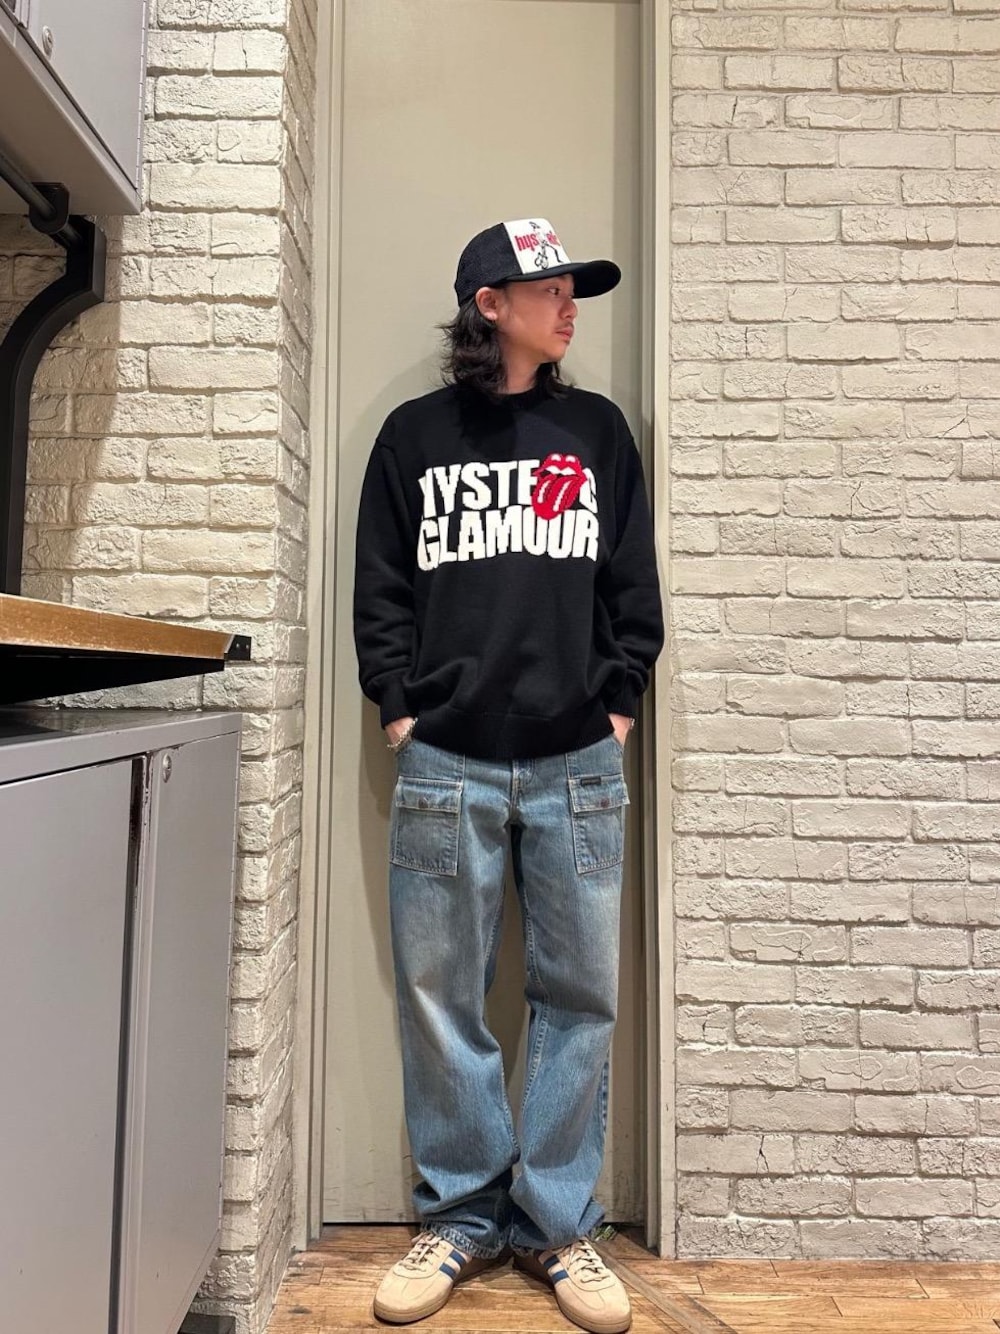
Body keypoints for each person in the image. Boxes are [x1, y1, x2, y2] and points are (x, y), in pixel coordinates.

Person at [353, 218, 663, 1334]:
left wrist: (619, 701)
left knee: (579, 999)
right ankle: (461, 1216)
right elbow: (380, 585)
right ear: (490, 303)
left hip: (578, 758)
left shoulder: (596, 429)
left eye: (575, 290)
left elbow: (631, 579)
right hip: (447, 760)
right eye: (550, 289)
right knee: (442, 999)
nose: (571, 306)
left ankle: (557, 1224)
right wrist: (398, 705)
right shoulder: (413, 436)